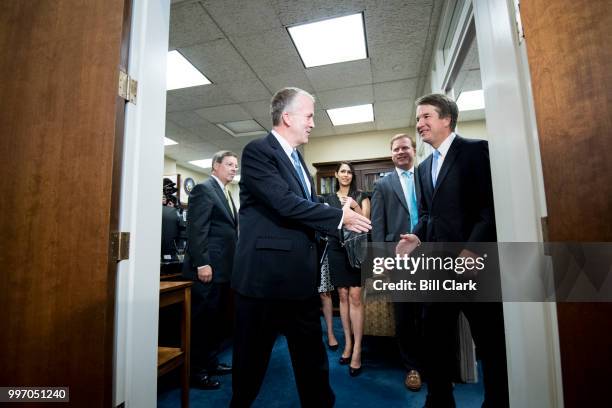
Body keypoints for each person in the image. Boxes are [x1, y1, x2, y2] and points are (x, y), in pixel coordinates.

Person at [231, 87, 371, 407]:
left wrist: (342, 222)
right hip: (264, 284)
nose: (312, 123)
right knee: (250, 370)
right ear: (287, 117)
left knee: (313, 365)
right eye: (308, 116)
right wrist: (340, 218)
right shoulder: (258, 151)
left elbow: (307, 212)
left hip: (301, 281)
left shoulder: (301, 164)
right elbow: (284, 204)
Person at [397, 93, 509, 408]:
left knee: (489, 341)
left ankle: (498, 400)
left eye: (426, 117)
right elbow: (430, 215)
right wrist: (416, 237)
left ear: (446, 118)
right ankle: (439, 399)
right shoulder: (422, 169)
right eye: (418, 119)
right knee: (434, 338)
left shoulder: (475, 150)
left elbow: (489, 208)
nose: (420, 124)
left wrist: (473, 250)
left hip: (475, 268)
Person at [371, 134, 424, 391]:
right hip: (398, 258)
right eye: (396, 149)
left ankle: (434, 364)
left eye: (405, 147)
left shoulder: (426, 176)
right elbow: (378, 226)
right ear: (391, 154)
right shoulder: (383, 184)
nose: (401, 152)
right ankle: (412, 366)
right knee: (404, 315)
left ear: (414, 150)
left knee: (431, 313)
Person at [182, 151, 239, 390]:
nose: (234, 168)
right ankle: (197, 372)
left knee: (215, 321)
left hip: (223, 270)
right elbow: (196, 230)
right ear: (215, 166)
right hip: (207, 269)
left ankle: (211, 362)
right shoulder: (203, 189)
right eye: (229, 164)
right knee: (202, 322)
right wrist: (202, 263)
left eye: (236, 165)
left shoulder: (226, 192)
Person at [323, 161, 369, 376]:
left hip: (356, 250)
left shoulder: (362, 195)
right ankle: (348, 344)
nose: (346, 175)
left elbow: (367, 223)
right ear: (336, 174)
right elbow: (325, 224)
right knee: (341, 295)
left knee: (356, 296)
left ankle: (358, 349)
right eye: (342, 171)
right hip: (335, 249)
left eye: (349, 172)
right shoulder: (328, 200)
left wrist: (354, 206)